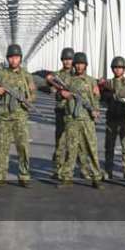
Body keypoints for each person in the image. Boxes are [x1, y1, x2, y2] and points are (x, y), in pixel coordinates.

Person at [53, 52, 103, 189]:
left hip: (87, 119)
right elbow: (57, 95)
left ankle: (96, 177)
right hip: (72, 119)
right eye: (77, 64)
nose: (79, 66)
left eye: (82, 64)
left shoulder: (92, 81)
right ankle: (66, 177)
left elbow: (96, 99)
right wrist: (62, 94)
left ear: (86, 65)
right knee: (71, 149)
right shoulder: (68, 80)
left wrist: (96, 110)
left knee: (91, 149)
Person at [0, 43, 36, 188]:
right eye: (11, 57)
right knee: (2, 148)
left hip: (20, 117)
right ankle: (0, 177)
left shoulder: (26, 76)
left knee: (23, 148)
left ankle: (24, 176)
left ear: (20, 59)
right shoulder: (1, 74)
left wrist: (29, 100)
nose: (13, 60)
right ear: (8, 59)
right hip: (5, 117)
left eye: (16, 57)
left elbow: (33, 93)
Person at [101, 56, 125, 188]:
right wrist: (112, 95)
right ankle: (108, 170)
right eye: (115, 67)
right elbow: (104, 97)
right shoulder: (108, 83)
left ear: (124, 69)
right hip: (111, 118)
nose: (118, 70)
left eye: (120, 68)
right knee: (109, 146)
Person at [51, 47, 75, 176]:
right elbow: (52, 90)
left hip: (75, 112)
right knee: (60, 141)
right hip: (61, 110)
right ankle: (58, 168)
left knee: (74, 142)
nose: (67, 62)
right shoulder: (57, 75)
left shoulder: (77, 75)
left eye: (69, 59)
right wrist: (61, 92)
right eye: (65, 59)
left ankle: (74, 168)